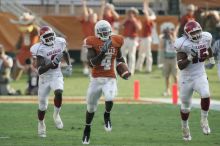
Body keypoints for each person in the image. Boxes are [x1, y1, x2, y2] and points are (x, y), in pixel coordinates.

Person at [82, 20, 130, 144]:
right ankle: (87, 128)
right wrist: (103, 52)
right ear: (97, 32)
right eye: (102, 31)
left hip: (110, 77)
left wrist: (124, 68)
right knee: (91, 107)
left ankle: (107, 115)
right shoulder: (91, 42)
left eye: (106, 31)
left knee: (109, 97)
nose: (104, 33)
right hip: (96, 79)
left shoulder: (117, 40)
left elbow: (119, 58)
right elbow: (92, 63)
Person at [174, 20, 215, 141]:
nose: (197, 35)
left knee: (206, 93)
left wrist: (211, 58)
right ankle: (185, 127)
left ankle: (204, 119)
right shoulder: (182, 44)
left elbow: (208, 48)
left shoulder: (206, 37)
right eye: (193, 33)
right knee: (186, 106)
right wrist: (190, 58)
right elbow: (180, 66)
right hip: (186, 78)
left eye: (198, 31)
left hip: (200, 74)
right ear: (187, 35)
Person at [30, 26, 72, 138]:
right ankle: (41, 124)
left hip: (56, 74)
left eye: (50, 35)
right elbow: (40, 70)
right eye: (46, 37)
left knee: (59, 91)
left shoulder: (60, 41)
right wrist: (52, 63)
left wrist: (69, 64)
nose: (49, 38)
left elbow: (65, 52)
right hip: (44, 78)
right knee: (42, 106)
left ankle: (56, 114)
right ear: (42, 38)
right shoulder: (39, 49)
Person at [11, 12, 39, 80]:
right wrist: (17, 47)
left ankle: (34, 82)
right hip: (23, 51)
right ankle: (14, 78)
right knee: (17, 64)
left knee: (33, 68)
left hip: (32, 51)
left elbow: (38, 33)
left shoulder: (35, 29)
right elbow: (20, 39)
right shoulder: (22, 30)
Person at [120, 7, 142, 74]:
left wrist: (133, 20)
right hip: (125, 38)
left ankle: (131, 71)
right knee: (123, 55)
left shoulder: (137, 20)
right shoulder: (126, 20)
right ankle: (124, 69)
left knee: (131, 55)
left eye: (132, 13)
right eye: (129, 13)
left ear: (135, 14)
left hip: (132, 39)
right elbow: (120, 26)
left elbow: (139, 28)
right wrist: (126, 19)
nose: (130, 14)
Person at [136, 0, 155, 72]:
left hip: (147, 38)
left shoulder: (149, 21)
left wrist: (145, 5)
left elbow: (147, 14)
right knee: (141, 53)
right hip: (143, 38)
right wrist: (145, 5)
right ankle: (138, 68)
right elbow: (146, 14)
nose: (144, 15)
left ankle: (148, 68)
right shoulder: (146, 20)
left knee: (148, 54)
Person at [80, 0, 98, 76]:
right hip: (86, 40)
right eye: (90, 16)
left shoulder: (97, 24)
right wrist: (84, 4)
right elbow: (85, 14)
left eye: (93, 16)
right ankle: (85, 68)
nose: (91, 16)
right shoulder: (86, 22)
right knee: (84, 55)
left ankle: (92, 70)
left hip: (95, 41)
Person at [159, 25, 178, 96]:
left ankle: (176, 91)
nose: (169, 33)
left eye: (170, 31)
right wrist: (163, 38)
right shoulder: (164, 39)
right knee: (166, 76)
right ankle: (167, 90)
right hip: (166, 59)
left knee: (175, 76)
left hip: (174, 59)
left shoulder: (176, 39)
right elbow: (161, 47)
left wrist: (172, 38)